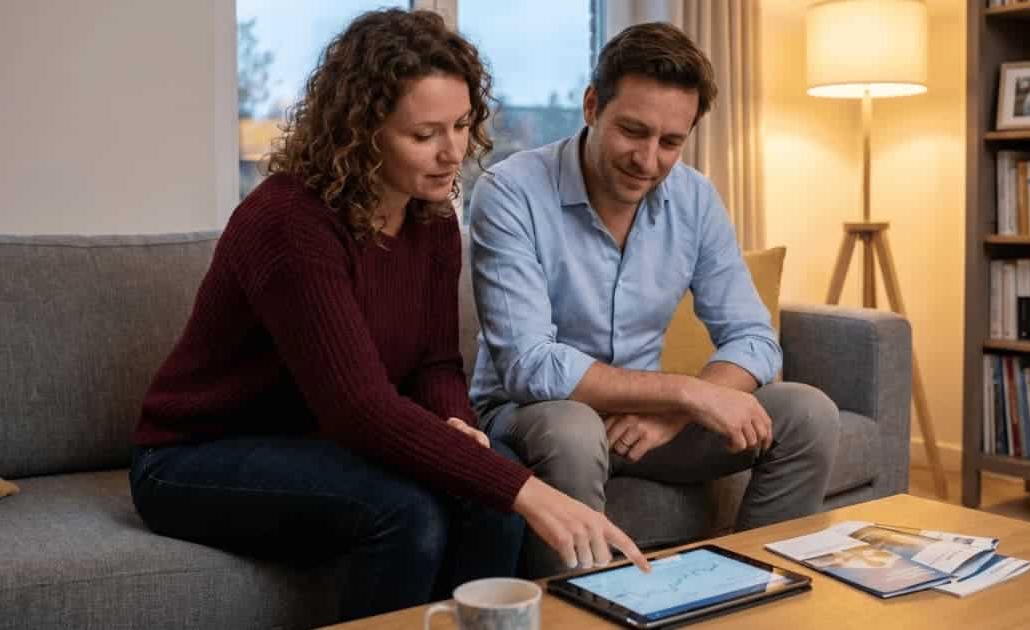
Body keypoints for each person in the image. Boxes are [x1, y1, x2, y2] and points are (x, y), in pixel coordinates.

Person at [128, 9, 646, 622]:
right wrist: (529, 491)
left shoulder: (430, 219)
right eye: (424, 135)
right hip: (192, 457)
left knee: (489, 496)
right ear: (361, 130)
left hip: (315, 442)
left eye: (460, 124)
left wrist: (458, 422)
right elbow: (359, 409)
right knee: (410, 511)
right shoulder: (289, 223)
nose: (452, 151)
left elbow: (435, 362)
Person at [466, 22, 840, 578]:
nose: (648, 159)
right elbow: (529, 364)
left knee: (808, 414)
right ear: (592, 106)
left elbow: (754, 337)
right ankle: (580, 610)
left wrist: (671, 413)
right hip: (534, 420)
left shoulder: (694, 198)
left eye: (670, 142)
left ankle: (747, 593)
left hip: (643, 426)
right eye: (632, 132)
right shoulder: (510, 191)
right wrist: (684, 395)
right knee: (573, 427)